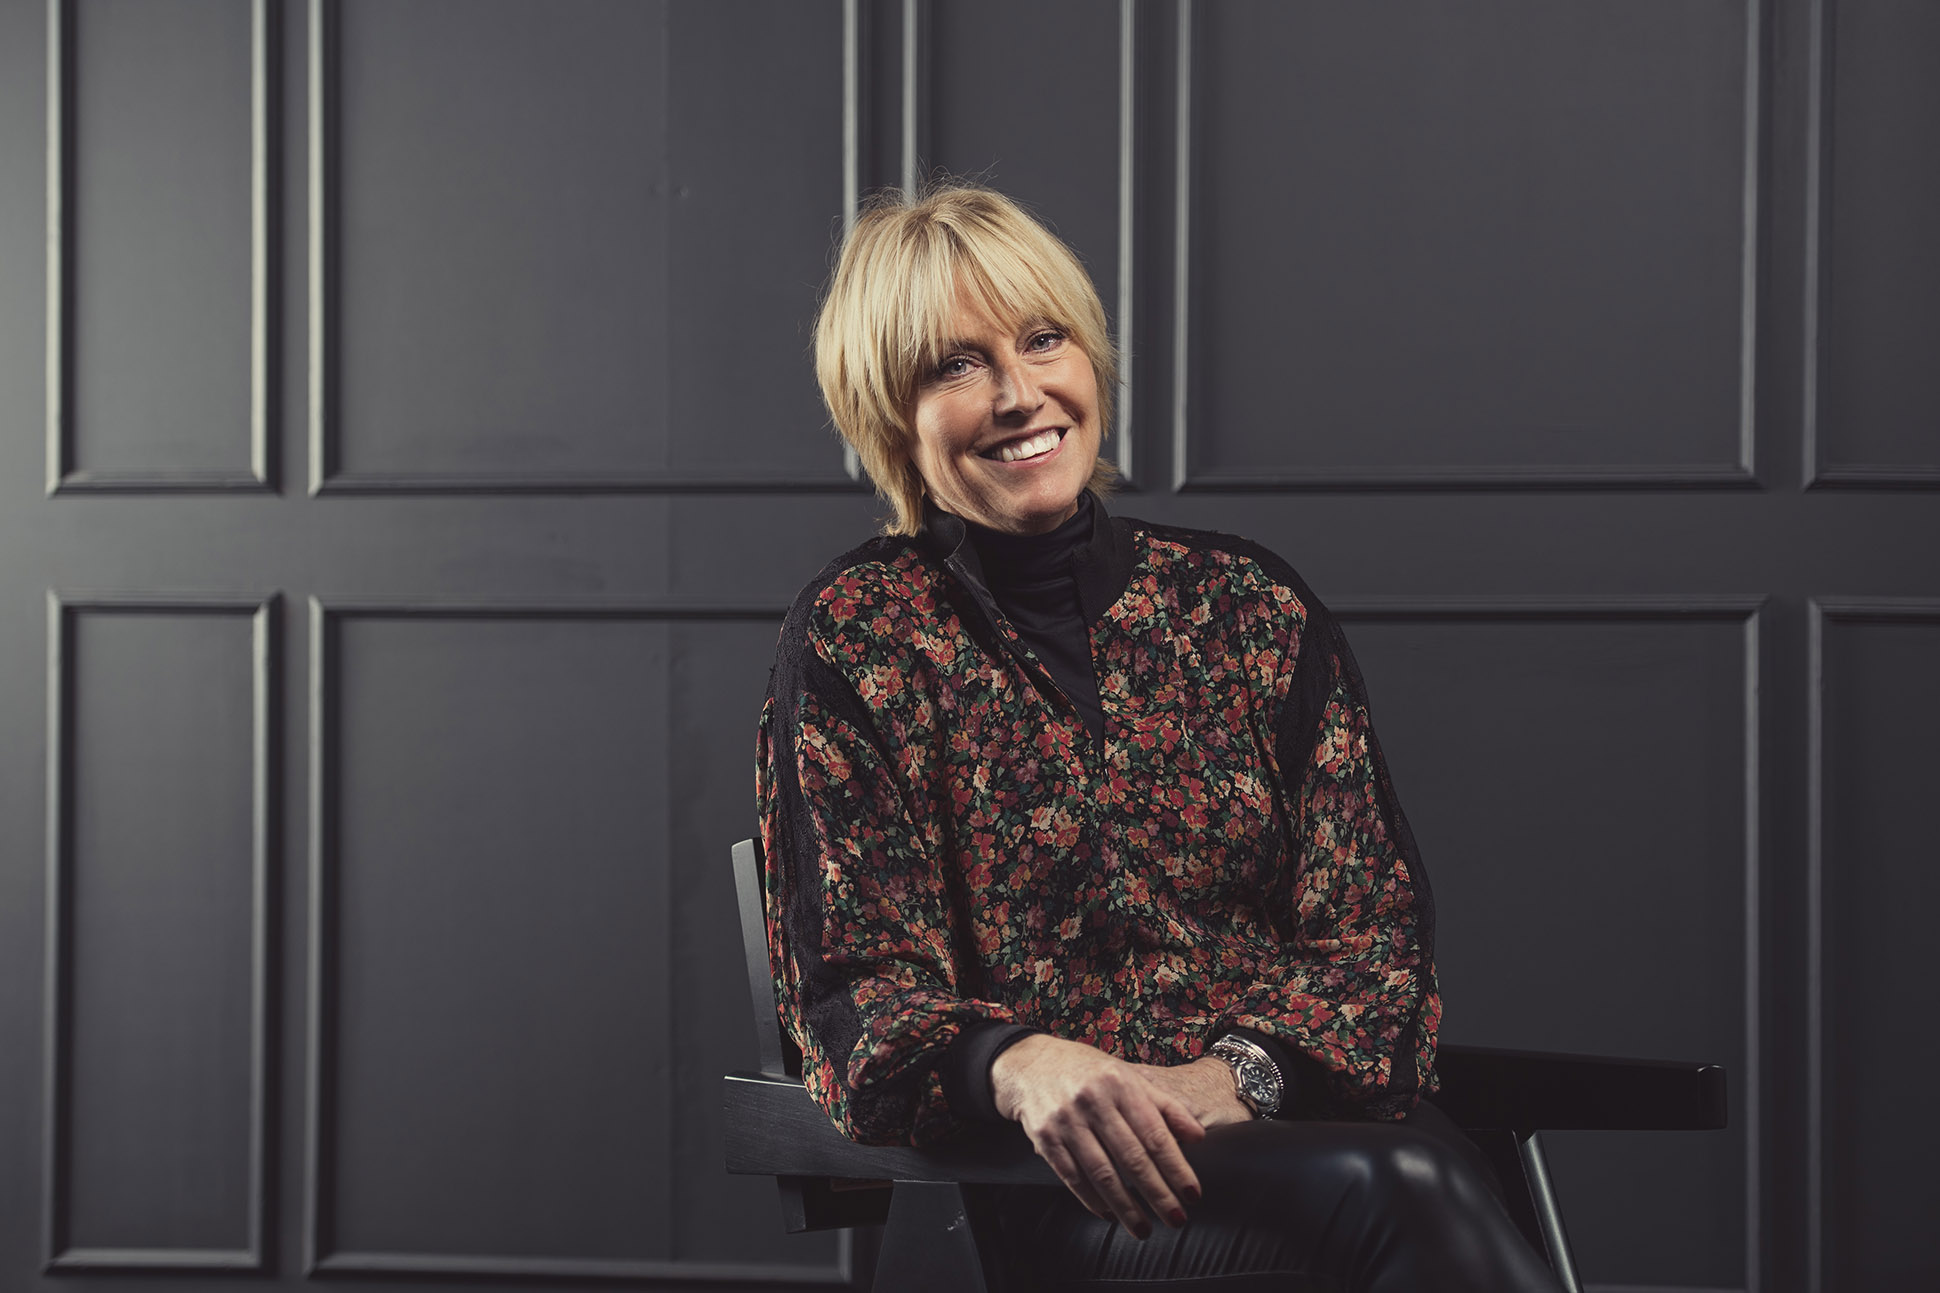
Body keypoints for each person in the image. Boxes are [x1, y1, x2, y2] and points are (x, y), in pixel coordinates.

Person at [756, 182, 1561, 1291]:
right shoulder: (860, 638)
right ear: (888, 413)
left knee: (1413, 1180)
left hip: (1324, 1143)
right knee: (1409, 1196)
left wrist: (1225, 1079)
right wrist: (1022, 1063)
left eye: (1043, 340)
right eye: (952, 365)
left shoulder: (1245, 606)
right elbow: (852, 991)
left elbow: (1374, 949)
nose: (1017, 393)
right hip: (1058, 1197)